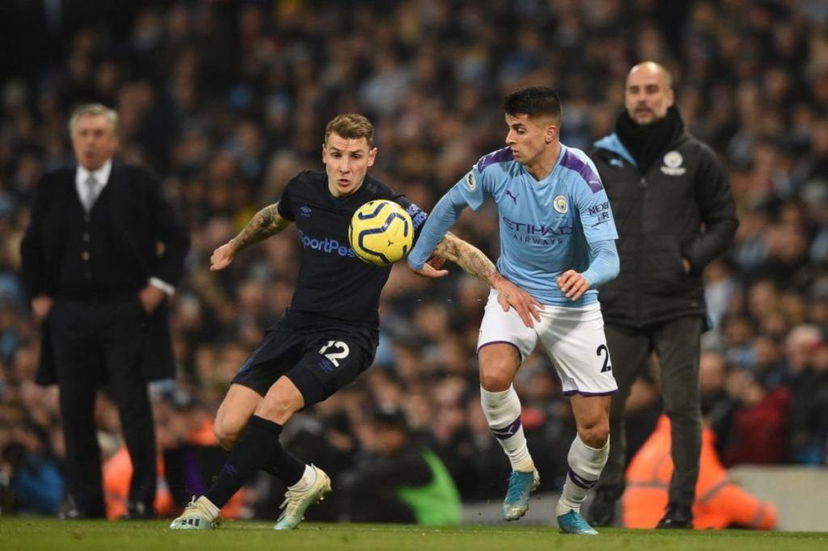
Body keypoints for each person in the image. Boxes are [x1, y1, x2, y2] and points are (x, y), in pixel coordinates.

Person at [169, 113, 537, 530]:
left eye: (356, 156)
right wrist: (235, 244)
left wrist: (497, 280)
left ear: (372, 157)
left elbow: (451, 244)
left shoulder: (388, 208)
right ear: (324, 154)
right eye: (338, 155)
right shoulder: (303, 189)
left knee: (276, 404)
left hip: (349, 335)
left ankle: (208, 505)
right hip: (294, 326)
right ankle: (302, 479)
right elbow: (274, 215)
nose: (346, 167)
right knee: (228, 429)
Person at [407, 87, 620, 535]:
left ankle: (569, 507)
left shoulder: (580, 174)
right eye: (508, 126)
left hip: (573, 305)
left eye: (519, 129)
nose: (509, 137)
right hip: (514, 292)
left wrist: (587, 277)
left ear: (549, 133)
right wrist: (416, 255)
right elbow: (448, 206)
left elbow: (609, 257)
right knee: (492, 374)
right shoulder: (495, 167)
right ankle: (522, 467)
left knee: (597, 429)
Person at [586, 62, 738, 528]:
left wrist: (689, 259)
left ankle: (680, 508)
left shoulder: (696, 157)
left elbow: (725, 220)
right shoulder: (600, 158)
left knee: (681, 408)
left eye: (652, 89)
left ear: (669, 97)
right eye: (635, 90)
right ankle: (607, 493)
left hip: (677, 304)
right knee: (604, 406)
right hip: (617, 305)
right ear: (626, 96)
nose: (643, 97)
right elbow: (578, 217)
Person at [20, 103, 190, 519]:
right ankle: (85, 500)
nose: (91, 141)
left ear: (114, 140)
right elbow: (32, 246)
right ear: (74, 139)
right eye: (84, 133)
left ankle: (141, 498)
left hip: (126, 310)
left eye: (99, 133)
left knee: (134, 407)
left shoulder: (138, 182)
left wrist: (159, 287)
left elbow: (177, 237)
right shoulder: (53, 185)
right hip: (70, 312)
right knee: (74, 409)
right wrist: (39, 294)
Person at [622, 415, 778, 530]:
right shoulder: (690, 447)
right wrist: (767, 515)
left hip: (642, 528)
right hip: (672, 532)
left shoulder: (653, 445)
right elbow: (723, 496)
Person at [341, 409, 462, 525]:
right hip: (421, 516)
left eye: (390, 430)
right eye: (378, 431)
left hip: (434, 520)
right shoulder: (405, 453)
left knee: (368, 494)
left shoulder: (411, 459)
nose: (383, 437)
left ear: (404, 432)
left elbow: (356, 481)